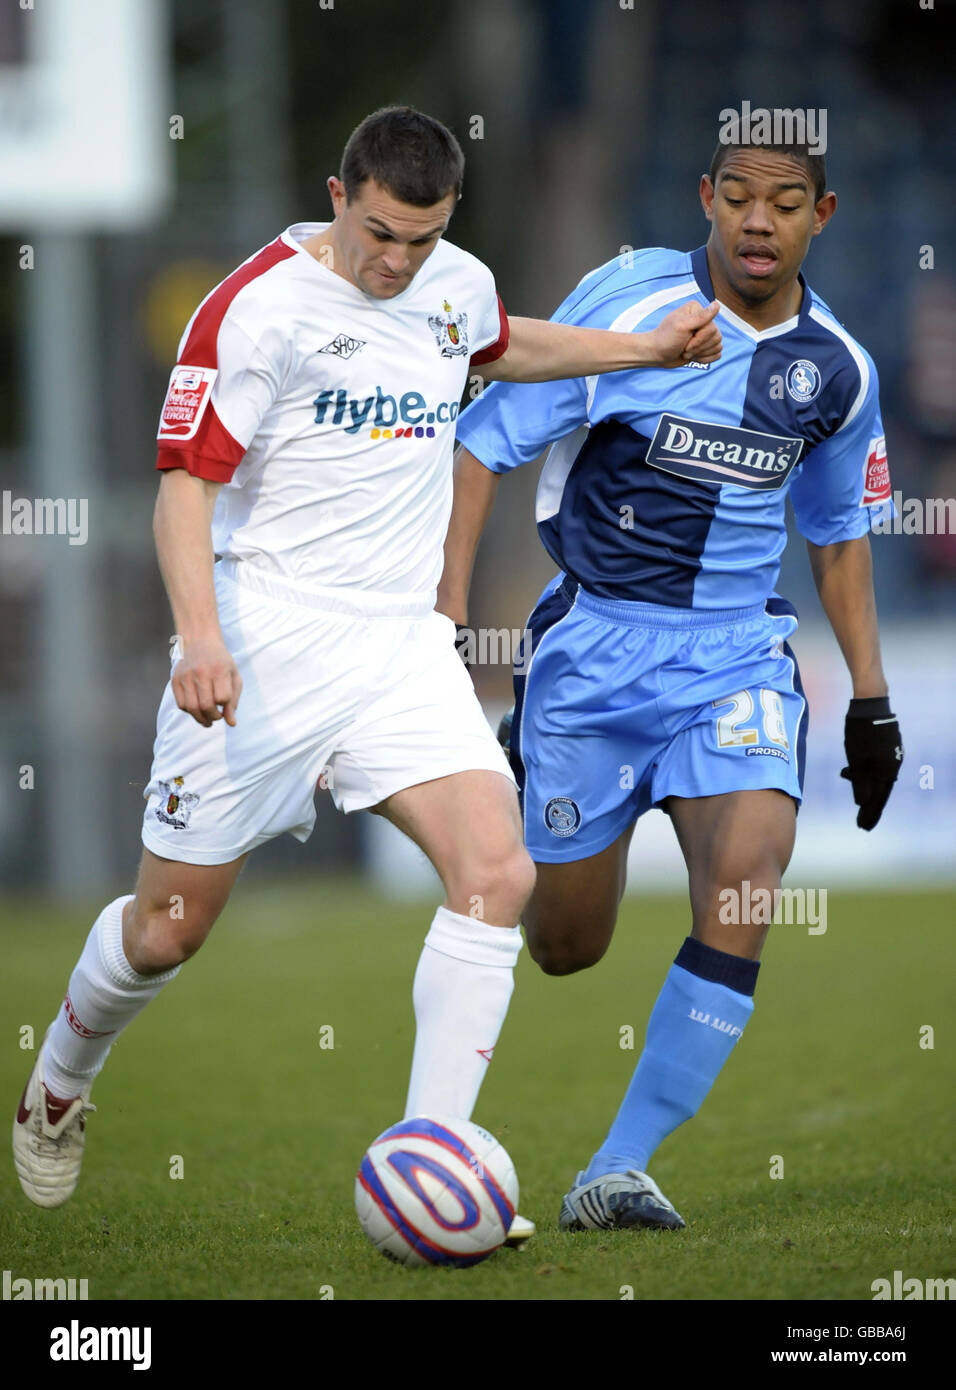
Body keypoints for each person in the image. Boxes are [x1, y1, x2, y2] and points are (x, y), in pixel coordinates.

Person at [13, 105, 722, 1243]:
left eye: (422, 237)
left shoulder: (452, 281)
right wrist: (198, 636)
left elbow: (499, 343)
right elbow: (184, 487)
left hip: (397, 645)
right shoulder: (254, 308)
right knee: (167, 929)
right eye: (381, 233)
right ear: (337, 196)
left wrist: (643, 349)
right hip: (264, 639)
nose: (396, 261)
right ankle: (56, 1082)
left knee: (496, 866)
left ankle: (427, 1166)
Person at [443, 129, 904, 1231]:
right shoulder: (627, 299)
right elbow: (483, 442)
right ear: (703, 197)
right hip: (592, 652)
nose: (756, 221)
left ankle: (618, 1165)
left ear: (819, 216)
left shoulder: (835, 368)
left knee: (748, 879)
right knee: (564, 944)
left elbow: (837, 534)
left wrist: (872, 699)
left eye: (782, 203)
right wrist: (444, 620)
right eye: (736, 197)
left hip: (733, 656)